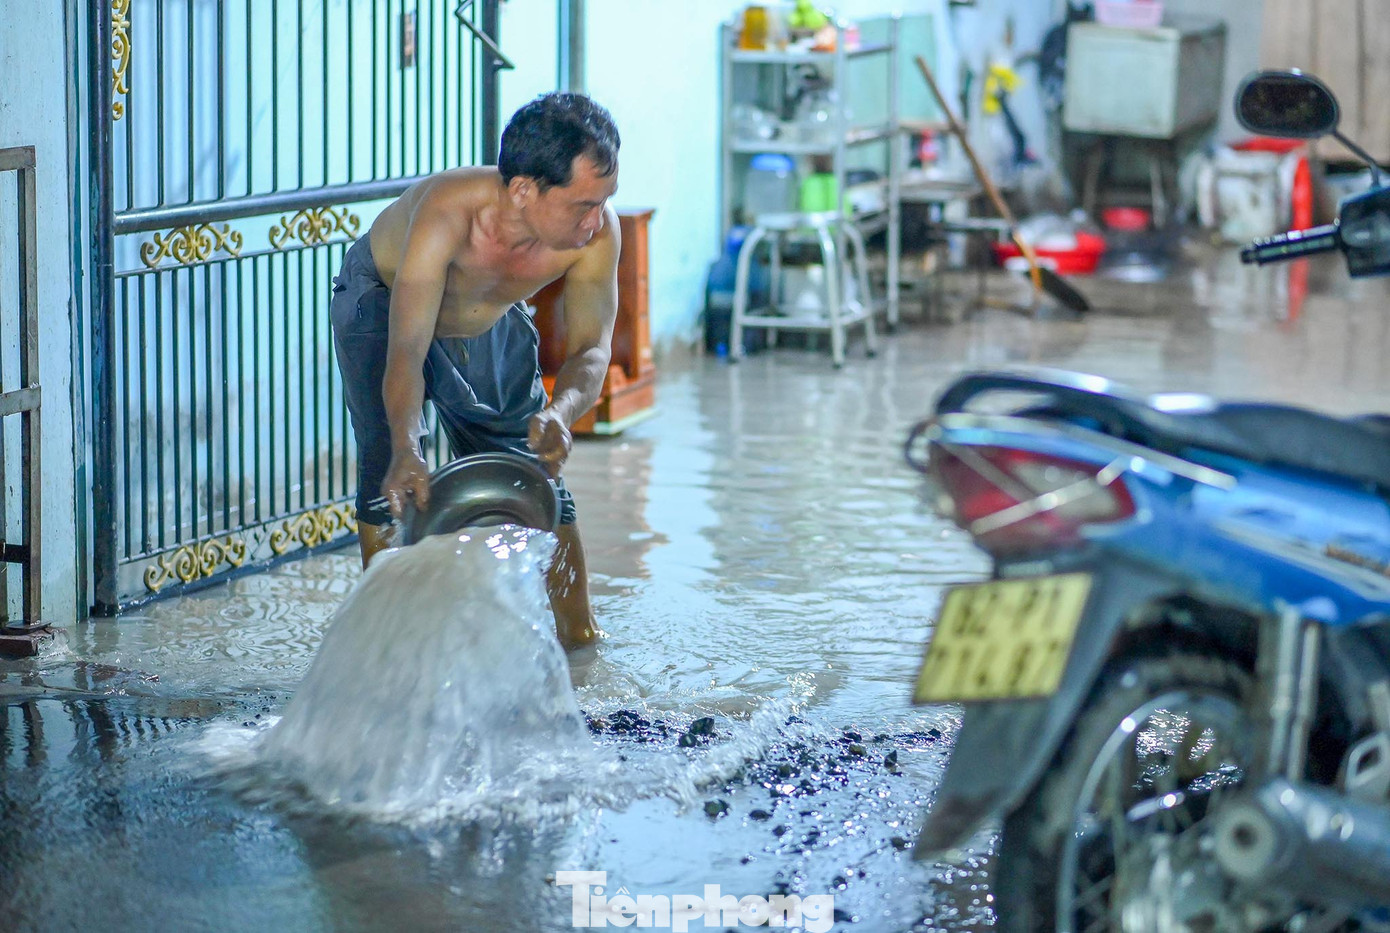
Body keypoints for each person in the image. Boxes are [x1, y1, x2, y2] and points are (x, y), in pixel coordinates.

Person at [329, 91, 620, 649]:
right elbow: (406, 351)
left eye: (605, 199)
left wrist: (561, 413)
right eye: (582, 203)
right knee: (387, 466)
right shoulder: (448, 213)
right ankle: (393, 641)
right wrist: (407, 445)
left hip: (486, 314)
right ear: (523, 190)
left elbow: (592, 349)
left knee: (534, 467)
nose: (596, 218)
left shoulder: (597, 235)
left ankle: (579, 635)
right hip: (383, 302)